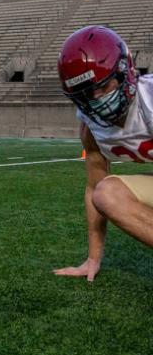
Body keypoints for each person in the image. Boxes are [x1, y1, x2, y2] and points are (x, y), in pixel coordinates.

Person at [54, 25, 153, 282]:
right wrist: (93, 258)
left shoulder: (149, 99)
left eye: (103, 87)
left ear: (125, 71)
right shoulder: (91, 127)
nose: (97, 99)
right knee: (106, 194)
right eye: (86, 94)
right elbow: (94, 188)